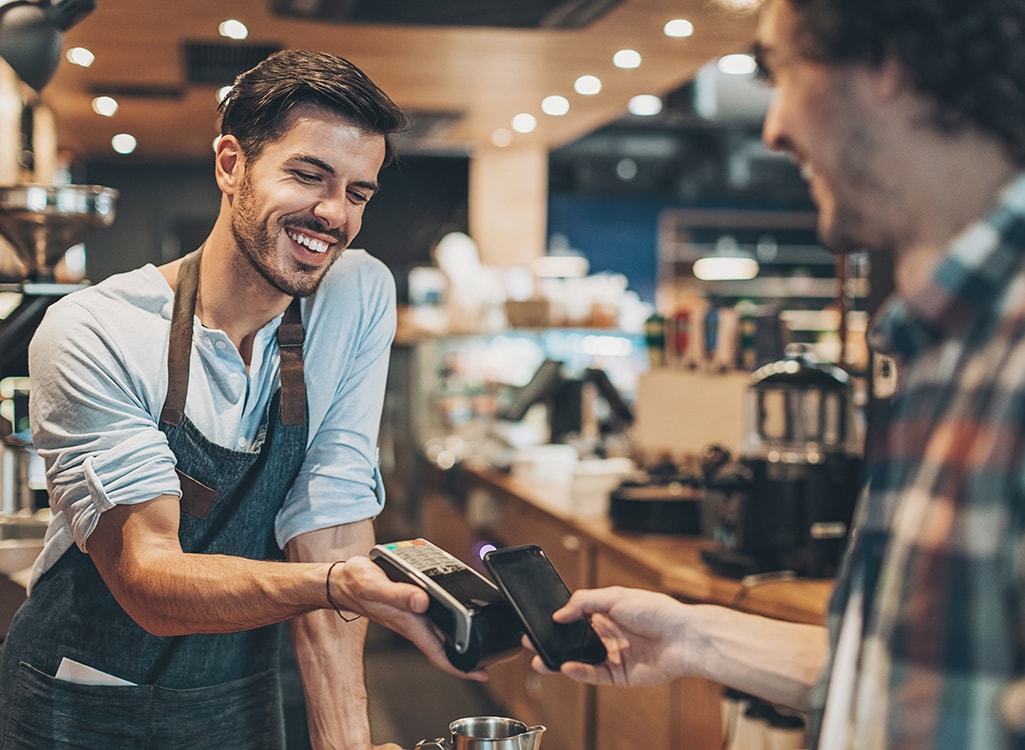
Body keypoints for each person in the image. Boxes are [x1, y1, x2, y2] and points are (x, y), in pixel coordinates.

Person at [533, 0, 1025, 748]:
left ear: (888, 62)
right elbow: (929, 678)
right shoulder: (945, 345)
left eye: (779, 72)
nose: (771, 127)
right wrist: (697, 638)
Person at [0, 49, 484, 750]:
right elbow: (148, 579)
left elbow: (330, 515)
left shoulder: (356, 293)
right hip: (86, 698)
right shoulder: (96, 330)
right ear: (231, 164)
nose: (332, 215)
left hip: (240, 693)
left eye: (357, 193)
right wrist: (336, 585)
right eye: (308, 176)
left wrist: (344, 740)